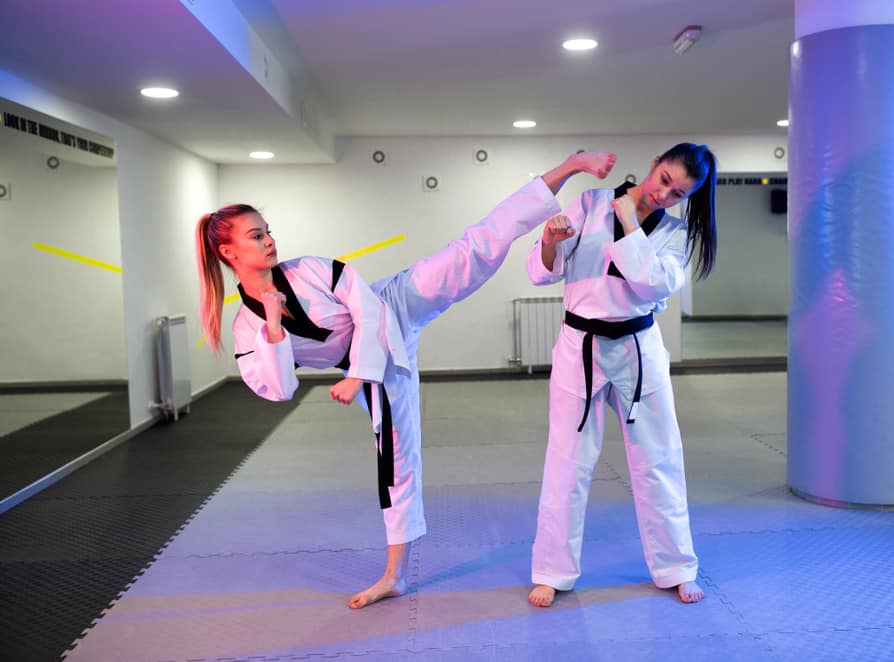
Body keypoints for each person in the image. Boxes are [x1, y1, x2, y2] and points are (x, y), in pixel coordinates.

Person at [195, 150, 617, 609]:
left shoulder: (310, 269)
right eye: (257, 236)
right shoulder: (246, 328)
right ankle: (394, 575)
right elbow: (278, 389)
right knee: (396, 459)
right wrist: (274, 325)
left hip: (393, 307)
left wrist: (357, 375)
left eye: (268, 230)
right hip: (380, 367)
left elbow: (368, 309)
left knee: (472, 248)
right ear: (228, 251)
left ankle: (571, 165)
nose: (269, 241)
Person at [525, 142, 717, 607]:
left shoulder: (673, 232)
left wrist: (630, 217)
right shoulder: (589, 203)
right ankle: (552, 571)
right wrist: (551, 240)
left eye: (678, 194)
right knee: (567, 462)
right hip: (580, 347)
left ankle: (676, 566)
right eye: (665, 180)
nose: (665, 194)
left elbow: (651, 283)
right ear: (654, 165)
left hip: (638, 349)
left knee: (660, 459)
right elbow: (542, 273)